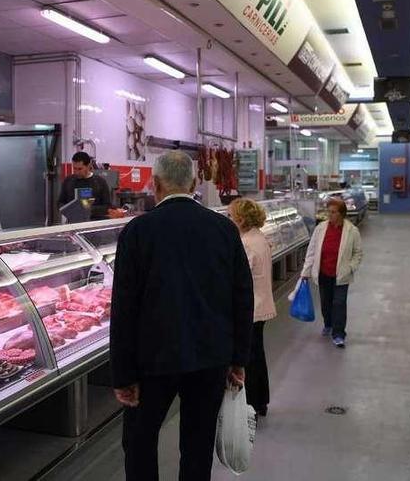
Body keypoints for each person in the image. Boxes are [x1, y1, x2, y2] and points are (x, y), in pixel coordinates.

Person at [110, 151, 254, 481]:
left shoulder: (138, 231)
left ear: (155, 184)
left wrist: (122, 375)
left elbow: (124, 308)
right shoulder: (224, 229)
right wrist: (238, 359)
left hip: (152, 362)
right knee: (197, 444)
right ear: (193, 183)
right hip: (210, 357)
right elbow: (242, 298)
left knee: (140, 441)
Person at [228, 198, 276, 417]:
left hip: (252, 308)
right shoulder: (260, 238)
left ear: (241, 219)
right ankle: (261, 401)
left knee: (249, 357)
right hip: (261, 304)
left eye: (231, 216)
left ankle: (253, 402)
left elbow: (238, 277)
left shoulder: (246, 243)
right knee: (257, 354)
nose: (230, 220)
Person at [300, 198, 363, 347]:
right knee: (325, 303)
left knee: (339, 304)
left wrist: (350, 267)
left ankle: (339, 334)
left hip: (341, 275)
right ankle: (328, 323)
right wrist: (305, 271)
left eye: (333, 212)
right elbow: (312, 251)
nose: (330, 214)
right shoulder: (320, 229)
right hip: (323, 274)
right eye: (329, 211)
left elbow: (358, 253)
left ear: (341, 214)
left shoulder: (352, 231)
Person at [59, 151, 112, 221]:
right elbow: (60, 202)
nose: (76, 172)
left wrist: (88, 210)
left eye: (80, 169)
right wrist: (67, 210)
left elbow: (107, 206)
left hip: (94, 223)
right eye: (74, 168)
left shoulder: (99, 182)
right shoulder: (68, 181)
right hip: (73, 223)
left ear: (88, 166)